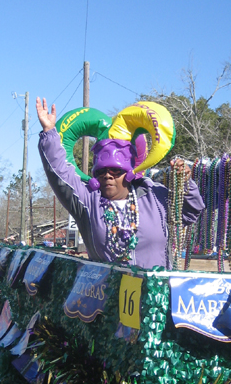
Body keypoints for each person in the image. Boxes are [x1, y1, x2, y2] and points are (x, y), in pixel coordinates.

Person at [36, 97, 204, 268]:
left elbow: (190, 212)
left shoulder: (155, 195)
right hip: (106, 292)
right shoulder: (87, 201)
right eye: (101, 171)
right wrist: (49, 132)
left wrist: (185, 183)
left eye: (115, 170)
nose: (108, 176)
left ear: (129, 172)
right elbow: (60, 174)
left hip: (156, 292)